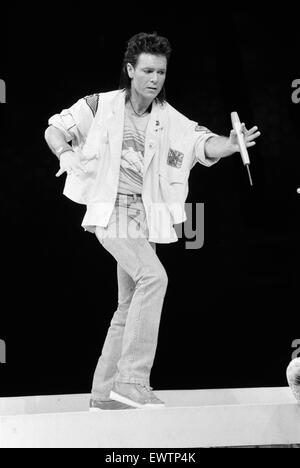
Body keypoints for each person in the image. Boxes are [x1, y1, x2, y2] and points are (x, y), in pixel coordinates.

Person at [44, 32, 261, 410]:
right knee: (154, 277)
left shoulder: (168, 117)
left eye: (160, 71)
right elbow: (55, 128)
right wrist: (65, 153)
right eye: (146, 70)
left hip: (144, 218)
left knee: (128, 305)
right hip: (112, 210)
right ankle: (131, 382)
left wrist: (228, 145)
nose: (154, 78)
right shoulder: (102, 105)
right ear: (130, 70)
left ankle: (104, 393)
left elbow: (199, 142)